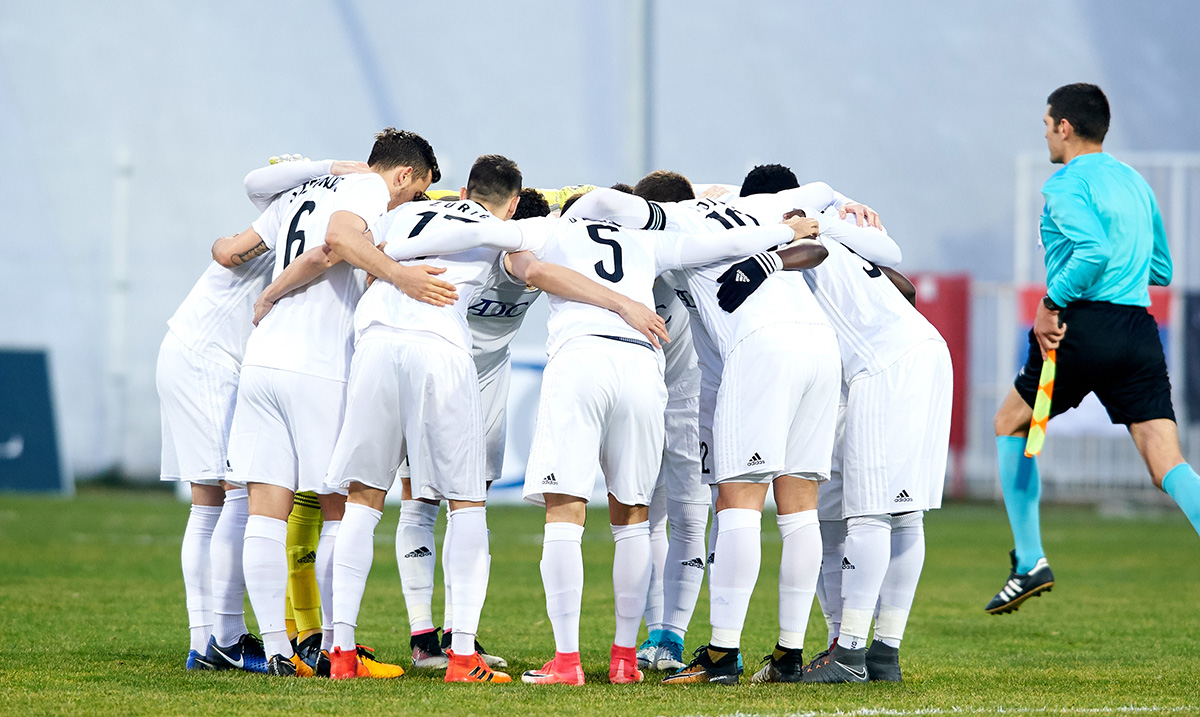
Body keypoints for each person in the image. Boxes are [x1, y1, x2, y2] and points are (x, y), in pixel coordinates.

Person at [320, 155, 667, 683]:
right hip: (442, 352)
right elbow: (537, 267)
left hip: (376, 345)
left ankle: (342, 653)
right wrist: (623, 303)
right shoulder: (507, 232)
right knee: (465, 505)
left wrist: (393, 271)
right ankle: (459, 654)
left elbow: (348, 248)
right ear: (512, 204)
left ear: (463, 191)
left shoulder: (403, 214)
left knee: (364, 499)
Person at [213, 128, 445, 677]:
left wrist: (270, 293)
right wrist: (400, 277)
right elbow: (332, 245)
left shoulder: (298, 192)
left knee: (265, 511)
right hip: (318, 365)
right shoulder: (368, 190)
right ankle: (339, 651)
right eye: (414, 192)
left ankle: (279, 652)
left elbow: (231, 251)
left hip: (263, 360)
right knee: (343, 508)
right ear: (404, 174)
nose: (408, 204)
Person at [987, 83, 1200, 614]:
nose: (1045, 133)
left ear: (1064, 127)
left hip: (1078, 327)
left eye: (1046, 124)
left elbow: (1092, 250)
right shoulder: (1134, 182)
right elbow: (1161, 269)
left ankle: (1029, 561)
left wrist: (1050, 302)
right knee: (1167, 462)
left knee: (1010, 423)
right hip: (1138, 330)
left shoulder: (1065, 183)